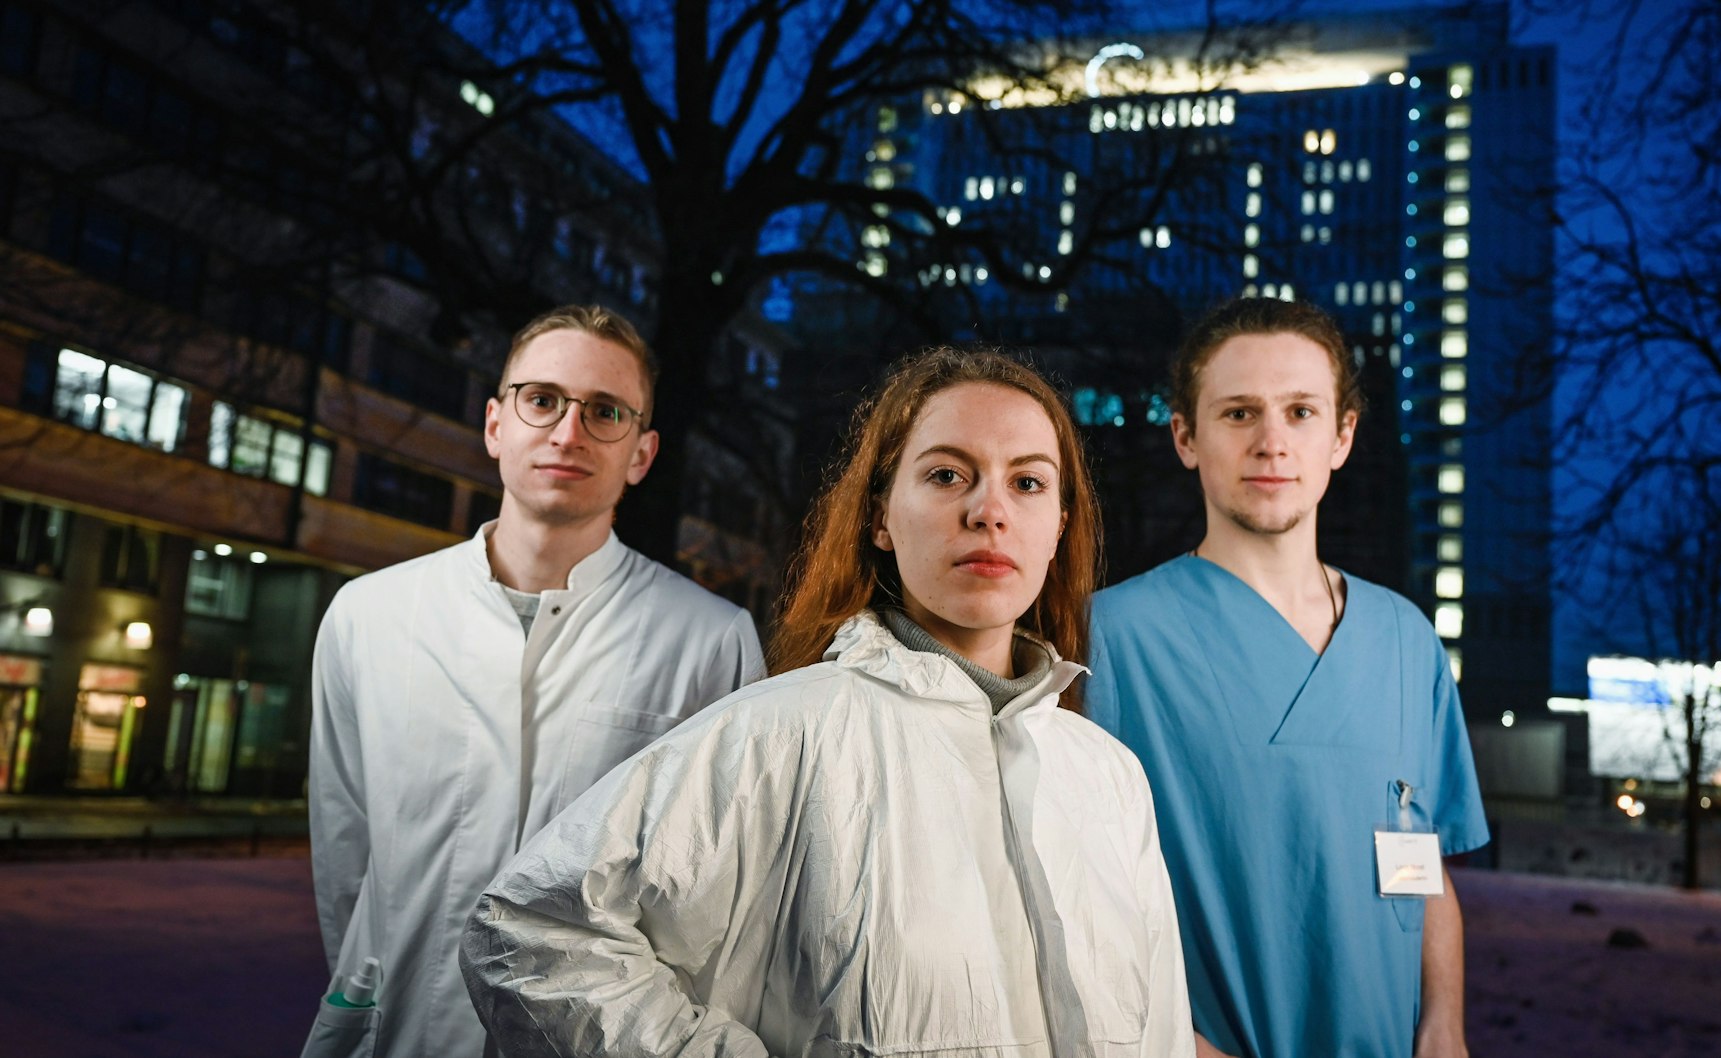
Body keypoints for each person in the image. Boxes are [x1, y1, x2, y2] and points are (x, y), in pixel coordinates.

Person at [460, 348, 1189, 1057]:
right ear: (880, 518)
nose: (988, 510)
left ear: (1059, 526)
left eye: (1027, 484)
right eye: (945, 475)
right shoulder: (781, 735)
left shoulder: (1109, 776)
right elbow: (532, 932)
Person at [306, 305, 765, 1057]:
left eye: (605, 412)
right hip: (401, 1031)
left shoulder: (709, 641)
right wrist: (367, 985)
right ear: (496, 424)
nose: (568, 432)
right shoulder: (369, 615)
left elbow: (711, 905)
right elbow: (345, 851)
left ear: (642, 453)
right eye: (543, 399)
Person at [1085, 297, 1489, 1058]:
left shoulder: (1406, 640)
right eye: (1239, 413)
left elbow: (1420, 863)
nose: (1272, 441)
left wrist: (1444, 1028)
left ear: (1341, 437)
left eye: (1301, 412)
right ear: (1185, 437)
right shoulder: (1111, 638)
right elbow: (1072, 900)